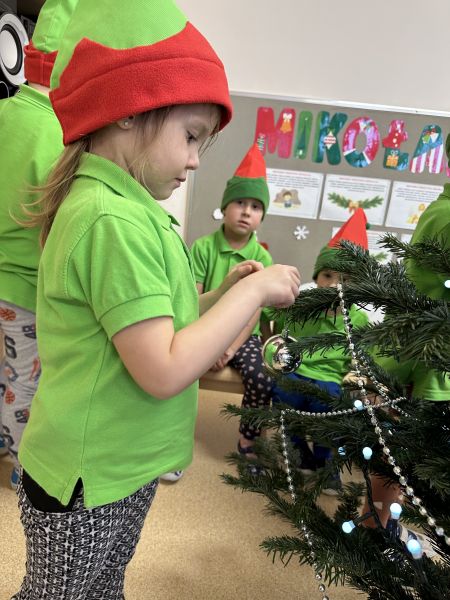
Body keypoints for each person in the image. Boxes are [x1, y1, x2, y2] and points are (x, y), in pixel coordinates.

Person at [12, 1, 301, 597]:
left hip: (123, 466)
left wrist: (219, 294)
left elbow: (160, 322)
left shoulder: (132, 211)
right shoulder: (111, 221)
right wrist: (253, 294)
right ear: (127, 111)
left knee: (103, 588)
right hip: (88, 479)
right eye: (190, 136)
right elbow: (164, 368)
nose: (195, 160)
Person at [0, 0, 79, 490]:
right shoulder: (65, 137)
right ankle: (19, 465)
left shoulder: (4, 112)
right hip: (27, 287)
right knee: (24, 382)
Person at [362, 152, 450, 544]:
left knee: (403, 459)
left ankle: (382, 523)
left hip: (431, 362)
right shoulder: (445, 216)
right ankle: (374, 529)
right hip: (419, 363)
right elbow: (423, 301)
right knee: (393, 458)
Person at [272, 208, 370, 495]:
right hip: (297, 370)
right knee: (284, 395)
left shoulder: (359, 320)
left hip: (332, 380)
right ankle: (299, 453)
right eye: (327, 275)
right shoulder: (303, 306)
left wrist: (355, 377)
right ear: (316, 278)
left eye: (346, 279)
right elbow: (277, 324)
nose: (335, 285)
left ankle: (327, 465)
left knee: (329, 410)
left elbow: (361, 358)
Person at [191, 144, 273, 475]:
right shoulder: (202, 248)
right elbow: (194, 298)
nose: (246, 211)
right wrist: (208, 342)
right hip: (205, 328)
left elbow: (254, 313)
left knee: (261, 377)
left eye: (255, 206)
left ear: (261, 217)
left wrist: (229, 348)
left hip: (241, 337)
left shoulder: (262, 257)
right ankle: (173, 438)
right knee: (177, 371)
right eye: (240, 202)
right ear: (225, 207)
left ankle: (248, 441)